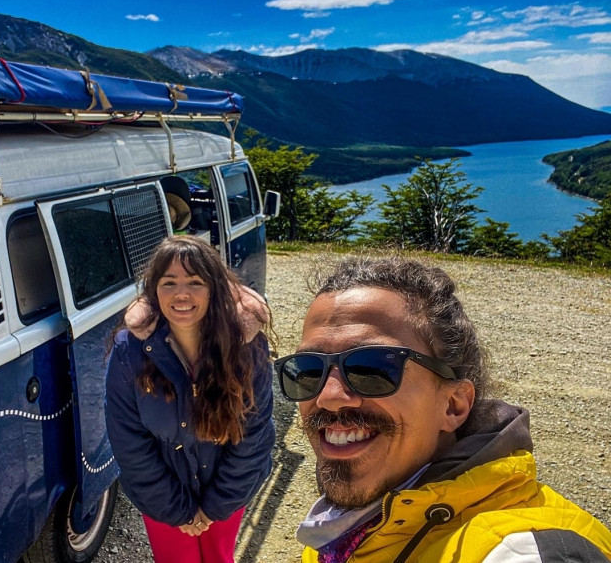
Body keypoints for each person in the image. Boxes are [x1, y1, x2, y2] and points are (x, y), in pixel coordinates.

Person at [274, 256, 611, 563]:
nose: (329, 396)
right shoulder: (352, 522)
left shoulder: (522, 550)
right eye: (308, 370)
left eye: (372, 369)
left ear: (453, 405)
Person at [105, 236, 275, 563]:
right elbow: (127, 440)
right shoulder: (130, 350)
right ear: (154, 291)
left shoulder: (246, 347)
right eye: (169, 282)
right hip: (163, 497)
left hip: (225, 493)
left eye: (195, 282)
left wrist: (216, 507)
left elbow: (255, 436)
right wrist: (176, 510)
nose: (182, 293)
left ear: (214, 289)